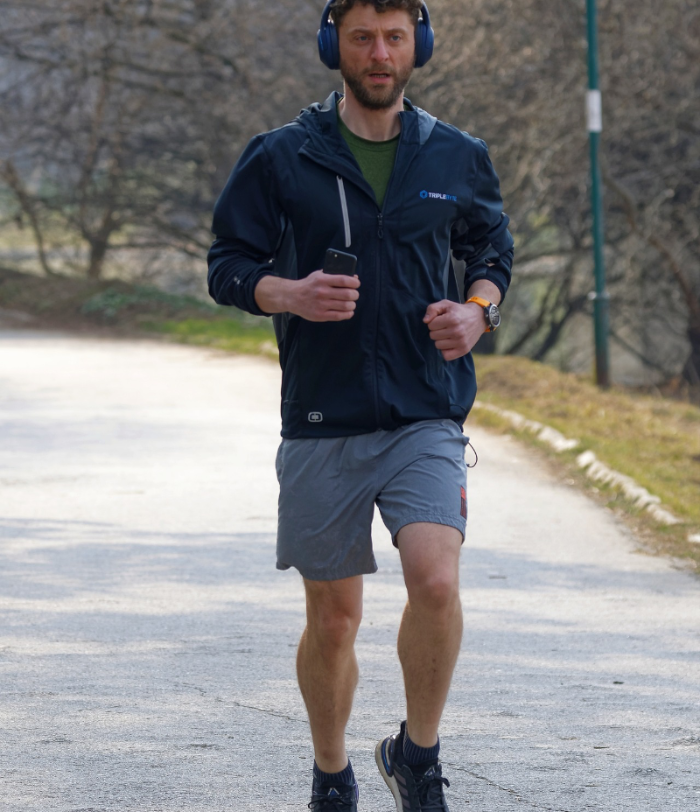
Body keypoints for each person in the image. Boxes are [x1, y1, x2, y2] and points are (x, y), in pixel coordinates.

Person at [207, 1, 514, 809]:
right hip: (323, 417)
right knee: (335, 618)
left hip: (425, 412)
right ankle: (332, 769)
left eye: (394, 38)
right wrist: (287, 291)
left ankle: (417, 755)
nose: (379, 54)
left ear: (419, 46)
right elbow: (227, 263)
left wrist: (478, 309)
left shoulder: (456, 154)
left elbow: (491, 251)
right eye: (362, 39)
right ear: (332, 47)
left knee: (436, 583)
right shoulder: (281, 157)